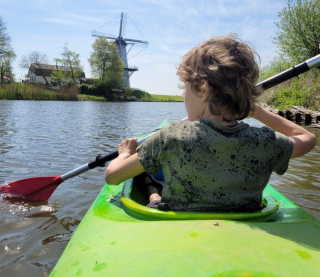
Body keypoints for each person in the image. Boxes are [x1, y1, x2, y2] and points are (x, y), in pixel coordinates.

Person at [105, 35, 317, 212]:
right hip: (244, 222)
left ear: (202, 88)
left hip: (177, 228)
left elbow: (112, 177)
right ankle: (154, 198)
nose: (181, 95)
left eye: (185, 88)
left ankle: (154, 198)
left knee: (144, 168)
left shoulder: (169, 137)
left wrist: (125, 153)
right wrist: (258, 113)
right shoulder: (264, 142)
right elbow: (308, 139)